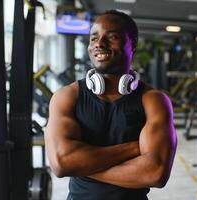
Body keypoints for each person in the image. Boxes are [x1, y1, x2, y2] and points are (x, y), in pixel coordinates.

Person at [45, 10, 177, 200]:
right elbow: (62, 163)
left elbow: (155, 173)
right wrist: (133, 149)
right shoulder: (67, 96)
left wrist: (81, 165)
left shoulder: (153, 100)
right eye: (94, 38)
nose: (99, 44)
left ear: (133, 44)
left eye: (112, 37)